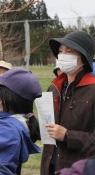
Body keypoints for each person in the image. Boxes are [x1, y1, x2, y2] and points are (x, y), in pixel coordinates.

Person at [41, 31, 95, 175]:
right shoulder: (54, 88)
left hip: (77, 169)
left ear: (83, 58)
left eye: (69, 51)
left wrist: (67, 135)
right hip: (49, 167)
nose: (62, 55)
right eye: (60, 51)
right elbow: (47, 128)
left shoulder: (93, 91)